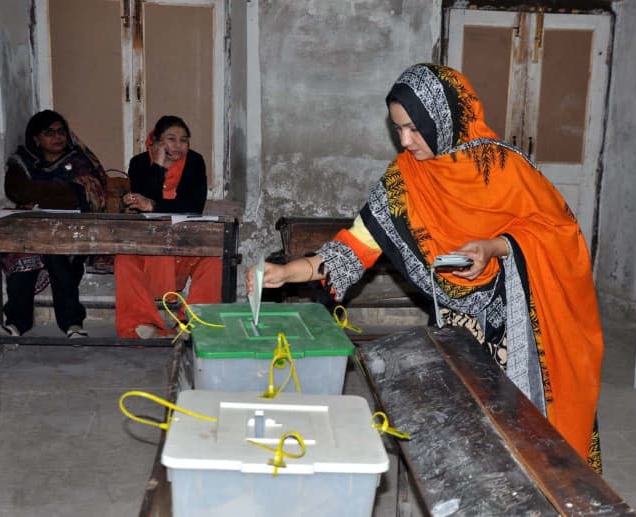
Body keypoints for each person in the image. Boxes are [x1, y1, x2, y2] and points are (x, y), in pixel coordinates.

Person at [246, 63, 604, 471]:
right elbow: (355, 246)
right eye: (398, 129)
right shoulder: (405, 179)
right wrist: (286, 272)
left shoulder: (504, 167)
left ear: (445, 119)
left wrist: (494, 247)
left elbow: (559, 231)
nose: (405, 141)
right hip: (454, 330)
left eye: (414, 128)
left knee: (524, 440)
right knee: (470, 444)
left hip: (518, 323)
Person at [1, 109, 107, 338]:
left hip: (71, 231)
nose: (58, 137)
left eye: (61, 132)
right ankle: (17, 323)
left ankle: (72, 324)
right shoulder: (23, 161)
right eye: (49, 133)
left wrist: (38, 194)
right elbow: (17, 190)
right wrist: (62, 192)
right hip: (31, 231)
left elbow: (86, 193)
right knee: (22, 255)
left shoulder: (78, 160)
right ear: (36, 139)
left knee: (58, 255)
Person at [115, 115, 222, 338]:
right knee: (124, 259)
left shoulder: (194, 161)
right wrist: (158, 165)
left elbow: (193, 205)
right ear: (155, 142)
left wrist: (152, 205)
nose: (178, 146)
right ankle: (141, 323)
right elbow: (144, 199)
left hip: (184, 242)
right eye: (171, 139)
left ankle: (190, 322)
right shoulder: (138, 163)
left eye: (183, 140)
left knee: (212, 261)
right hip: (148, 243)